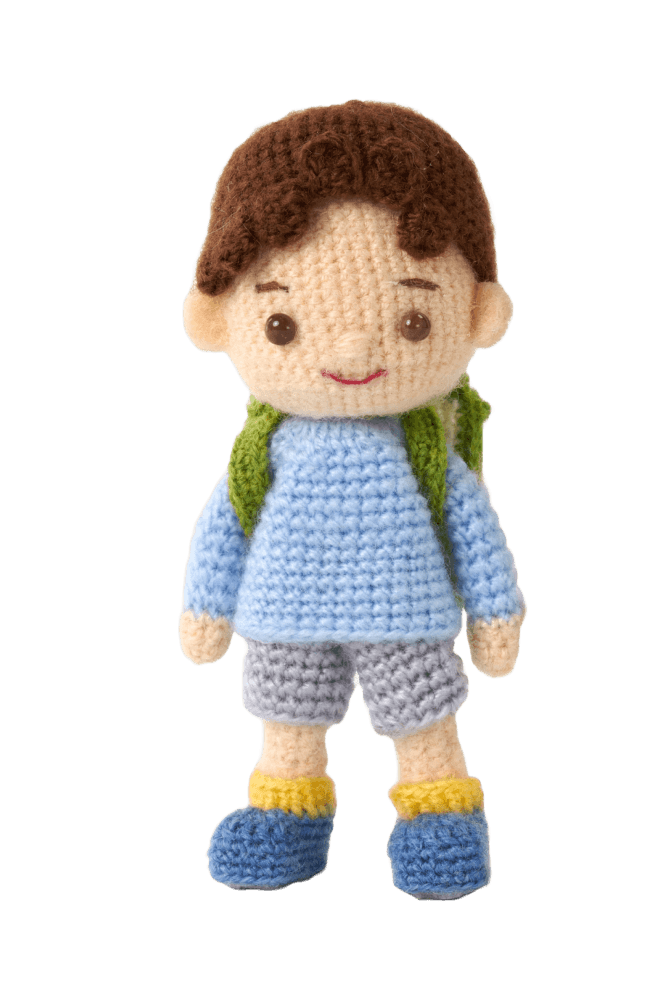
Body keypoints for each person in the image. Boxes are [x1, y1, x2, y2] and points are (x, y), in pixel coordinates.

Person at [180, 100, 525, 899]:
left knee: (423, 715)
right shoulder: (264, 450)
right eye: (282, 323)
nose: (351, 350)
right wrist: (206, 604)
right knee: (285, 719)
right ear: (217, 318)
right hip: (285, 615)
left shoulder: (428, 448)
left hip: (407, 614)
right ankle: (286, 812)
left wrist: (495, 610)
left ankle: (439, 816)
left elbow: (471, 525)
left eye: (413, 320)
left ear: (478, 312)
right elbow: (227, 521)